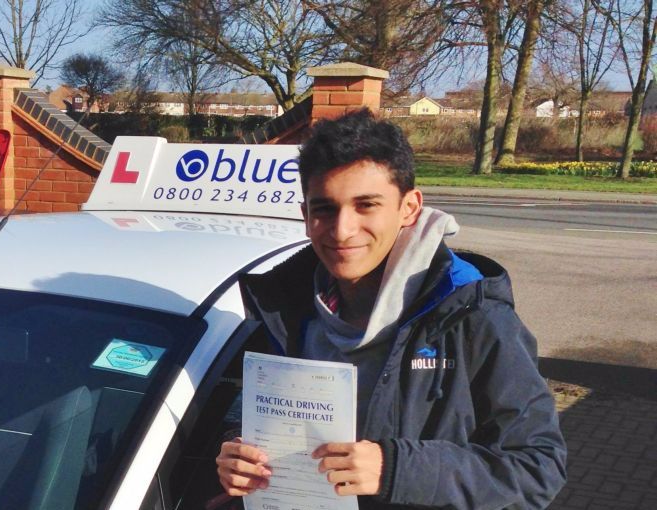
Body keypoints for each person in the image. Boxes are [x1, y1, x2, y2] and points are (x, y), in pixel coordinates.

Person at [216, 108, 567, 509]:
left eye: (366, 205)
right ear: (305, 214)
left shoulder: (473, 313)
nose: (342, 230)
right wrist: (234, 452)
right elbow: (242, 415)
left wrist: (395, 469)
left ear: (409, 208)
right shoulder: (281, 307)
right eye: (325, 209)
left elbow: (538, 467)